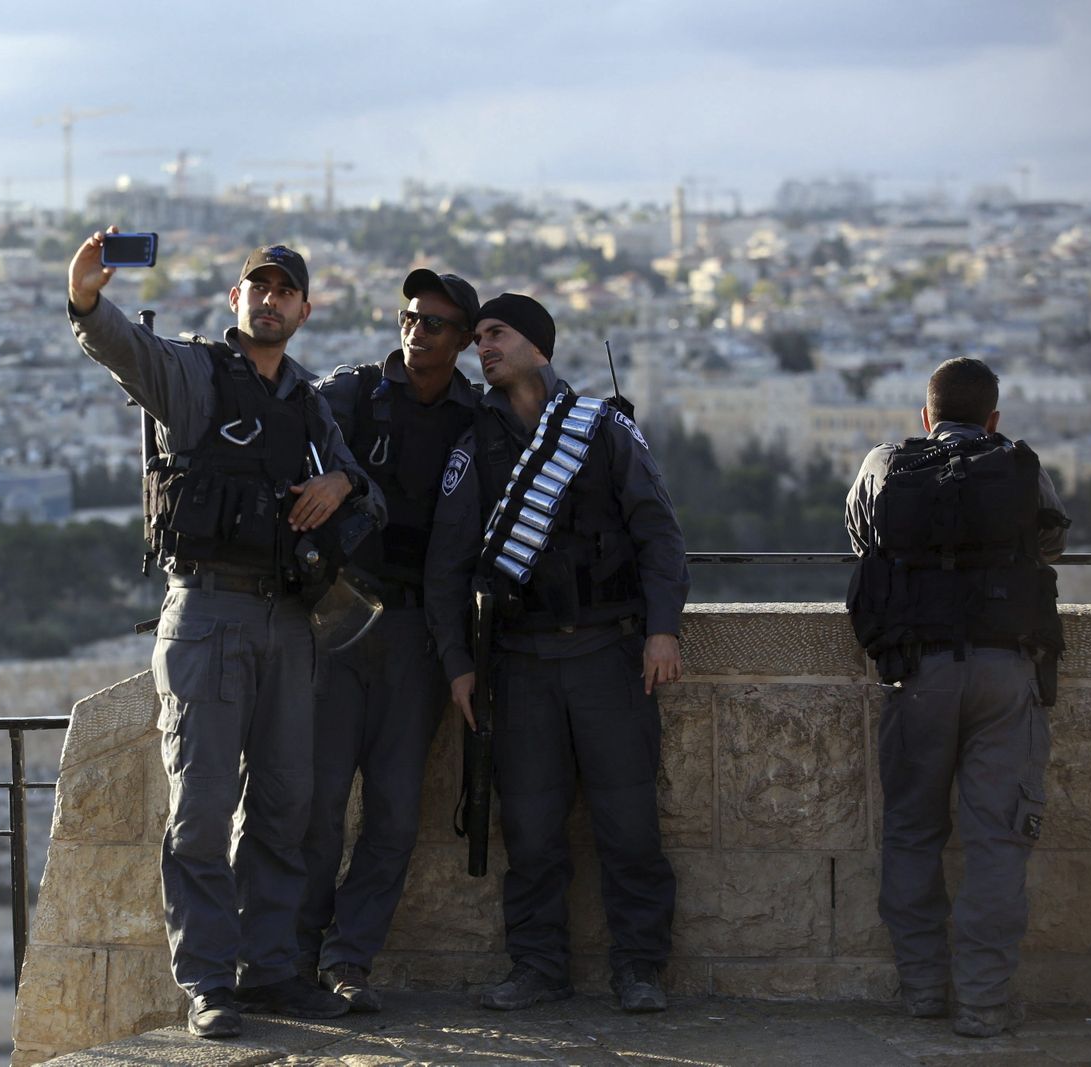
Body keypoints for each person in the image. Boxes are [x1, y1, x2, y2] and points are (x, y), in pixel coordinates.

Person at [67, 230, 384, 1039]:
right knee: (202, 807)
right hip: (207, 614)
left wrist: (340, 481)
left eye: (286, 290)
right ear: (236, 299)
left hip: (289, 620)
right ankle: (209, 981)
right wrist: (86, 298)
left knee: (285, 804)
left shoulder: (309, 404)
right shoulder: (197, 375)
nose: (271, 300)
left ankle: (270, 968)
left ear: (304, 310)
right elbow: (124, 350)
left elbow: (368, 495)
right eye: (259, 287)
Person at [425, 293, 688, 1013]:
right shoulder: (473, 444)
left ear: (539, 346)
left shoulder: (599, 428)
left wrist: (663, 628)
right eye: (479, 336)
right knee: (531, 829)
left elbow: (658, 532)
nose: (483, 346)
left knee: (628, 824)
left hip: (608, 653)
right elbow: (447, 568)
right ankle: (537, 967)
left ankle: (640, 968)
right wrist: (458, 664)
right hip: (520, 662)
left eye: (498, 333)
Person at [845, 356, 1068, 1039]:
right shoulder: (1020, 466)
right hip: (1006, 669)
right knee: (998, 840)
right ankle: (982, 1001)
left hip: (917, 673)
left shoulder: (884, 464)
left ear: (926, 416)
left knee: (912, 831)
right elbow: (1052, 540)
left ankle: (922, 990)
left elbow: (860, 536)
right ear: (993, 418)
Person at [298, 269, 482, 1011]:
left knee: (396, 812)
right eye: (409, 316)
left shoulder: (476, 420)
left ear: (461, 339)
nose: (416, 330)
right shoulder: (355, 395)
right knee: (316, 803)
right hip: (340, 618)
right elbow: (292, 427)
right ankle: (295, 954)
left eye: (434, 322)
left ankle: (348, 958)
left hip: (418, 632)